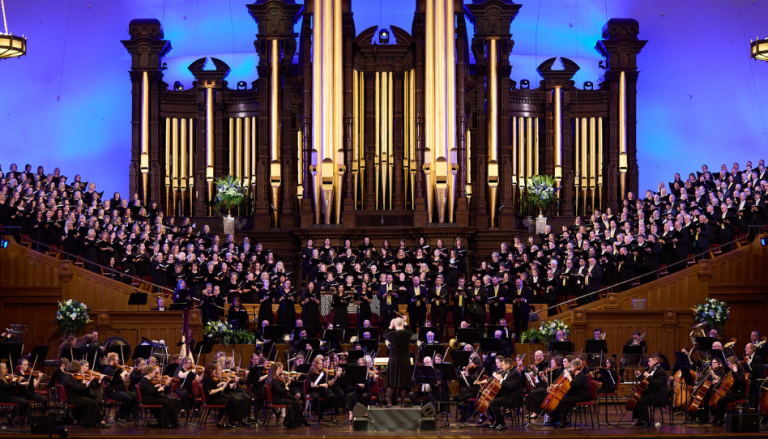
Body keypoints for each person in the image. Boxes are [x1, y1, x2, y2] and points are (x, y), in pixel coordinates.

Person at [61, 361, 110, 428]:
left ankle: (96, 421)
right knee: (92, 402)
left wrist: (86, 383)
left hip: (75, 397)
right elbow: (78, 388)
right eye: (78, 369)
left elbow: (78, 387)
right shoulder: (68, 377)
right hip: (72, 398)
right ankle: (91, 423)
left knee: (93, 402)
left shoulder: (70, 376)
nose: (79, 371)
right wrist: (84, 383)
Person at [546, 358, 590, 429]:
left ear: (575, 368)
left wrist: (568, 376)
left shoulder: (581, 375)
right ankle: (560, 419)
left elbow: (573, 383)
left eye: (571, 367)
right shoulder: (574, 375)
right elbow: (566, 385)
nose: (570, 368)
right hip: (575, 394)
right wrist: (555, 386)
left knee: (563, 401)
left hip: (582, 395)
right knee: (561, 399)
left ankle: (562, 421)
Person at [265, 362, 309, 429]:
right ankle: (296, 420)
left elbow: (280, 390)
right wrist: (286, 388)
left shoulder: (272, 379)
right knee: (296, 402)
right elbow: (281, 391)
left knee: (296, 400)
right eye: (277, 370)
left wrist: (285, 384)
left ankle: (296, 420)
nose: (279, 371)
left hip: (279, 398)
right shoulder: (274, 380)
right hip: (276, 400)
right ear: (274, 371)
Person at [383, 316, 413, 407]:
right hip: (404, 359)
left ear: (395, 325)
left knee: (392, 382)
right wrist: (406, 322)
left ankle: (389, 403)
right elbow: (411, 331)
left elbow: (384, 334)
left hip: (394, 359)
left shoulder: (392, 333)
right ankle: (403, 404)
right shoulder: (407, 333)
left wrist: (390, 326)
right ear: (403, 325)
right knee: (403, 383)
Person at [631, 355, 668, 428]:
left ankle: (647, 422)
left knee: (642, 401)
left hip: (659, 395)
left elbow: (657, 384)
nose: (648, 363)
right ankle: (640, 421)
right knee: (636, 398)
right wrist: (639, 375)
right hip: (652, 393)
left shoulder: (661, 371)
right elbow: (646, 381)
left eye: (650, 361)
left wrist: (648, 376)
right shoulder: (652, 369)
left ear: (655, 361)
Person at [487, 357, 523, 430]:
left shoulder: (515, 373)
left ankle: (502, 424)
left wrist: (501, 380)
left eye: (503, 365)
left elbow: (511, 386)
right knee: (489, 401)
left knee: (492, 403)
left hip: (512, 398)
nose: (501, 367)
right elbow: (503, 385)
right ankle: (497, 422)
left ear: (507, 364)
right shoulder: (507, 372)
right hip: (506, 395)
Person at [711, 356, 747, 427]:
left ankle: (721, 420)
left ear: (734, 364)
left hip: (739, 393)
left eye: (729, 364)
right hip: (733, 392)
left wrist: (735, 371)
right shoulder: (730, 371)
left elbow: (740, 380)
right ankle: (717, 418)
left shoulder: (740, 370)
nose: (728, 365)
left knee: (721, 400)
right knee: (718, 399)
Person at [103, 353, 137, 422]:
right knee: (128, 398)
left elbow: (123, 381)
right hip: (112, 391)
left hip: (120, 390)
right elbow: (117, 379)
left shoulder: (117, 368)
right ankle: (118, 416)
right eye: (117, 360)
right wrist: (124, 372)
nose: (118, 362)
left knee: (134, 396)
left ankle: (126, 416)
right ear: (112, 361)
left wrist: (129, 373)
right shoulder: (108, 370)